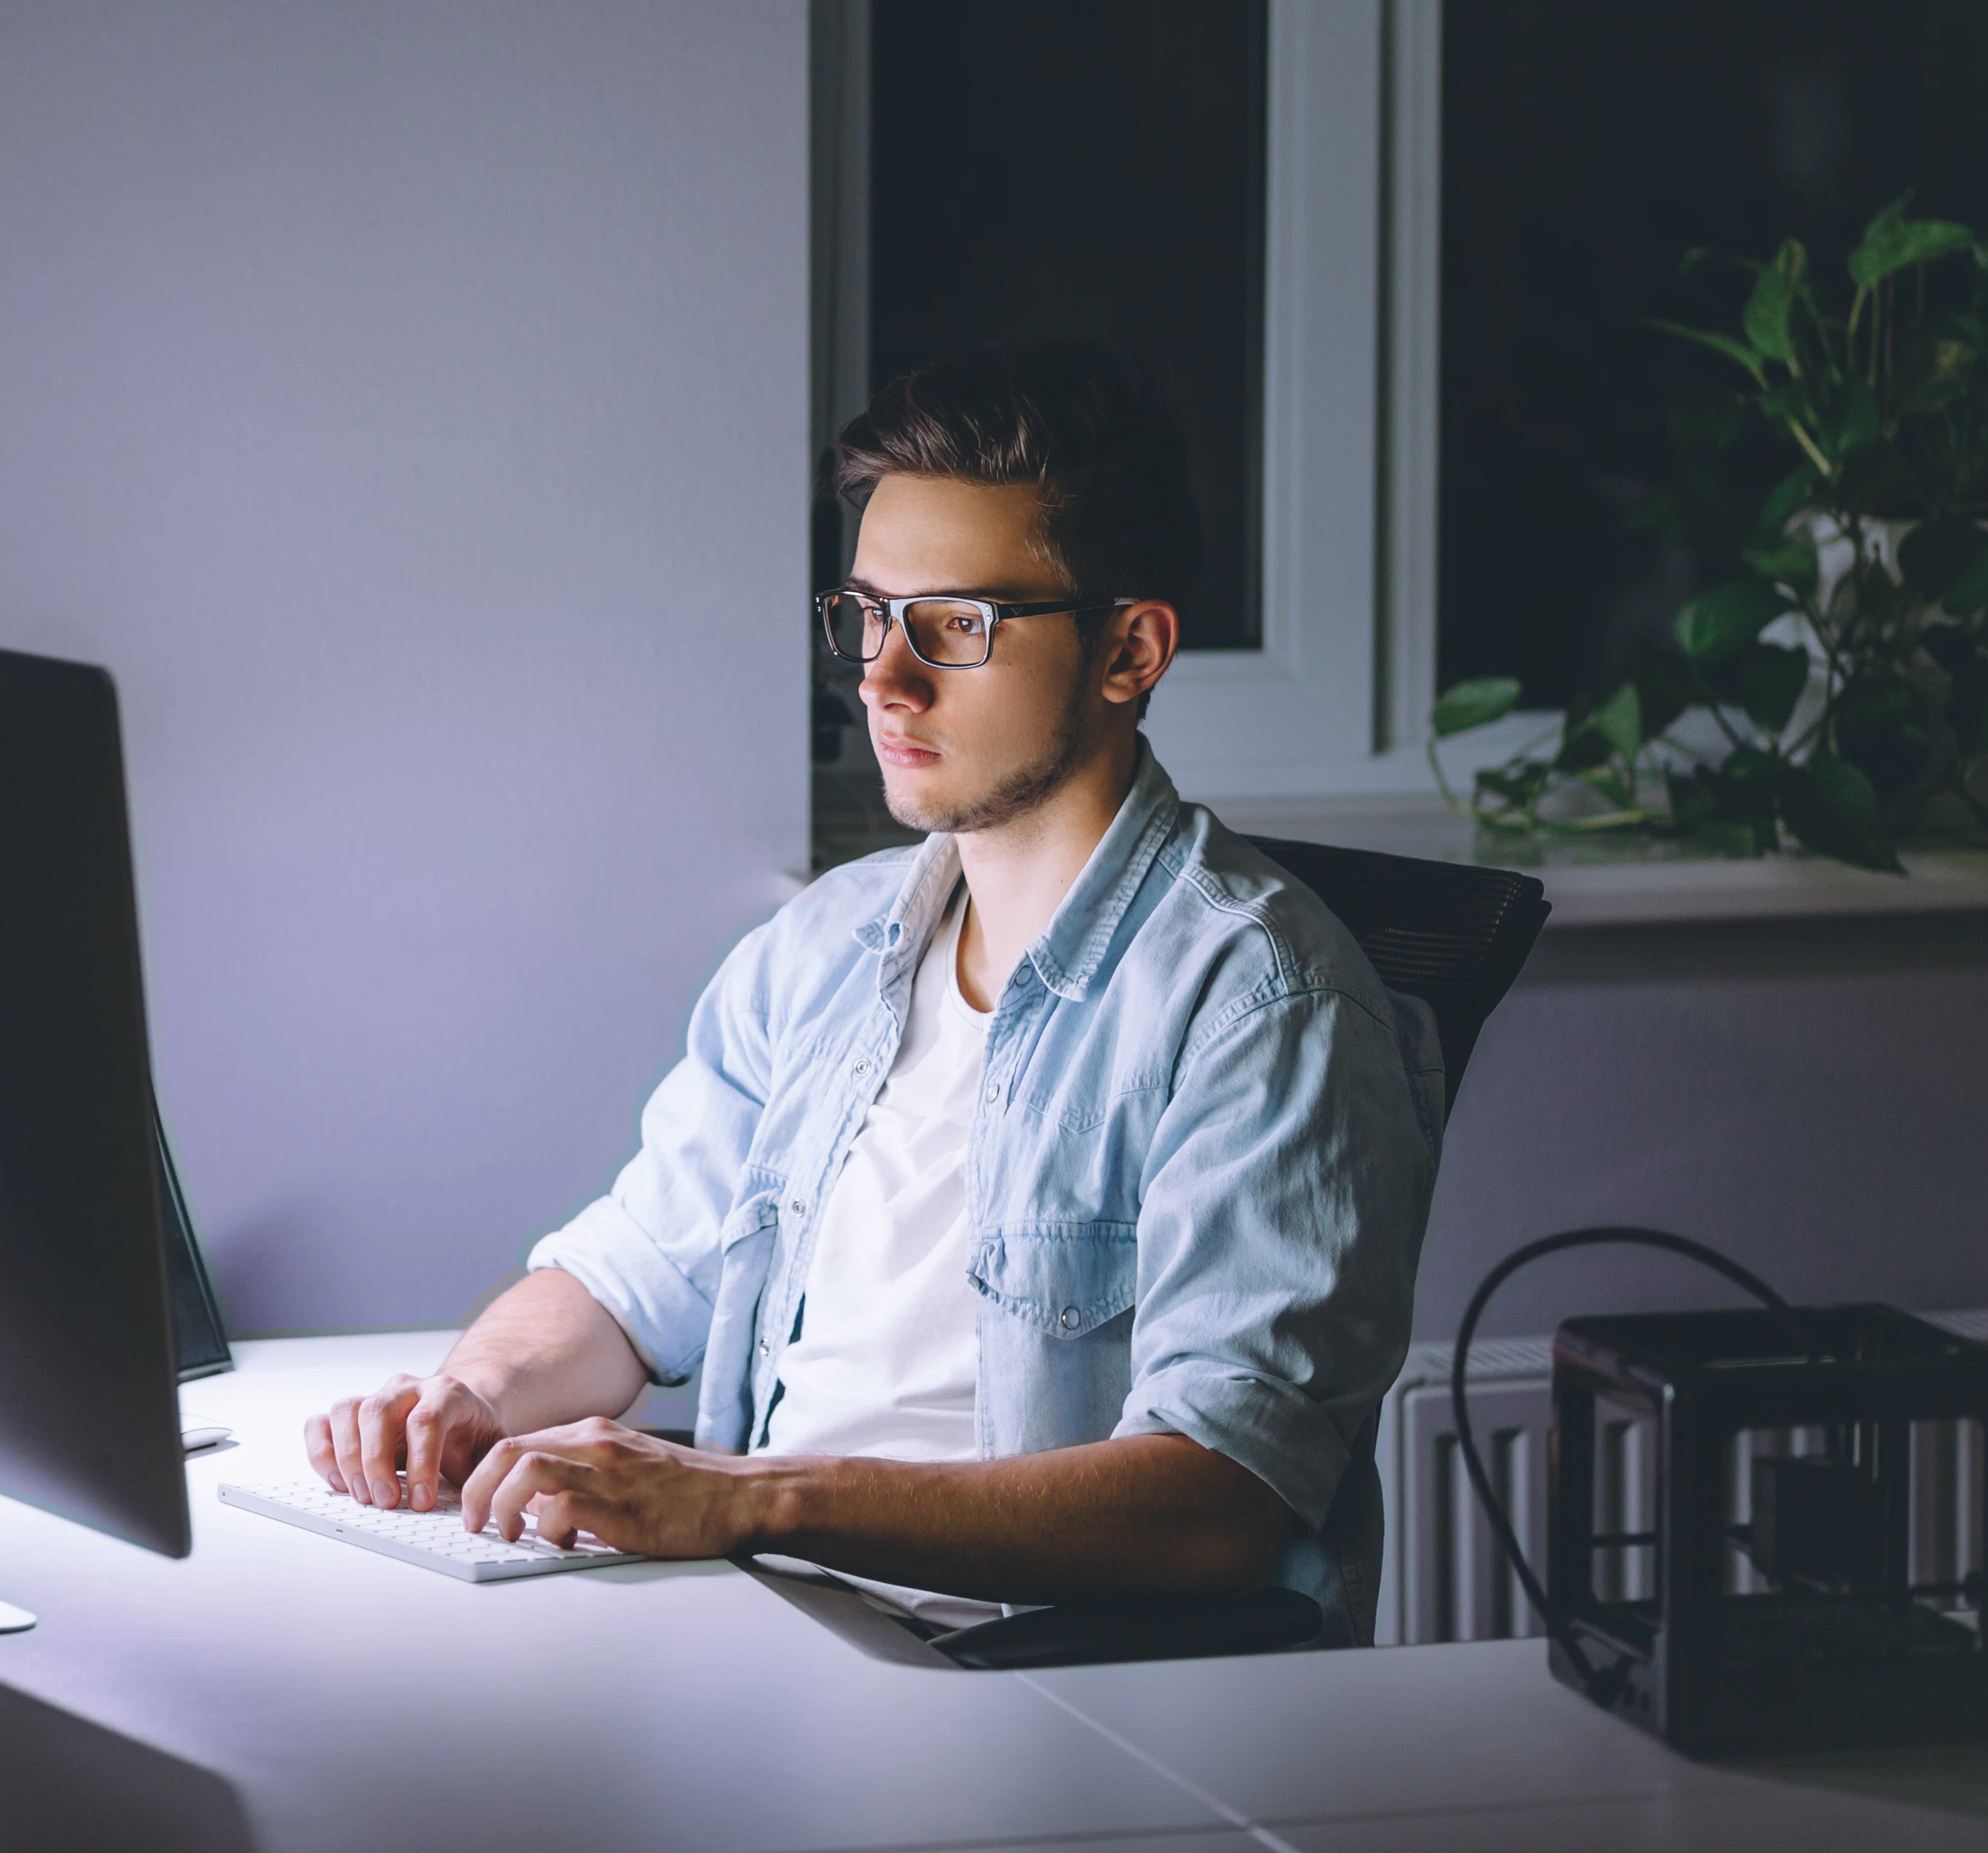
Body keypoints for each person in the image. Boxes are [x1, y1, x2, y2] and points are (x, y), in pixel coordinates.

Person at [301, 341, 1443, 1636]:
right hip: (763, 1618)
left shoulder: (1262, 1003)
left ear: (1129, 651)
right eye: (866, 613)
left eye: (956, 625)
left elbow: (1220, 1497)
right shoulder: (824, 945)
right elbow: (632, 1273)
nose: (881, 678)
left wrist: (752, 1499)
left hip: (1027, 1686)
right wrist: (475, 1394)